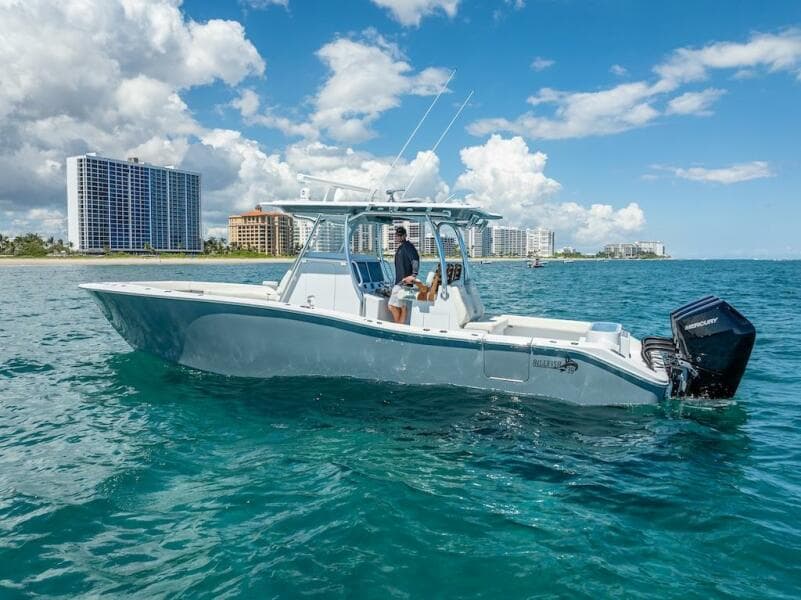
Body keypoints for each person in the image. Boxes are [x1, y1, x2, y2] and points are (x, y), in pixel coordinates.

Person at [388, 225, 420, 324]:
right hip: (401, 283)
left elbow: (415, 259)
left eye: (401, 235)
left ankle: (398, 327)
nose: (399, 237)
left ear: (405, 235)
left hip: (403, 283)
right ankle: (400, 325)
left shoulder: (407, 246)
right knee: (400, 306)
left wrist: (413, 275)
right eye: (397, 235)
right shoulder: (402, 247)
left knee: (392, 306)